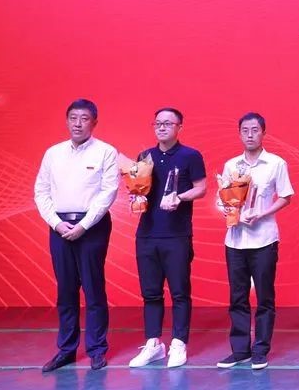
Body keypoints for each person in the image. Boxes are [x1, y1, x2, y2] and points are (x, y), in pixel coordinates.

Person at [34, 99, 119, 372]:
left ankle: (97, 349)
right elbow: (41, 191)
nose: (78, 124)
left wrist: (84, 225)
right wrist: (57, 224)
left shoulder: (106, 152)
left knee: (93, 288)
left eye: (84, 118)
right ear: (67, 121)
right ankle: (66, 350)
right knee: (66, 289)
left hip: (92, 227)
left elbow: (108, 193)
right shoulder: (53, 153)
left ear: (94, 122)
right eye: (73, 118)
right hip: (59, 226)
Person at [128, 107, 207, 368]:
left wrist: (180, 197)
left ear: (179, 127)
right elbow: (139, 187)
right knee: (150, 293)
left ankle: (178, 343)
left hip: (176, 235)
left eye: (168, 123)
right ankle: (153, 343)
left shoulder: (190, 155)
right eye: (158, 123)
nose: (162, 127)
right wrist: (135, 197)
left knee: (179, 292)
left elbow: (201, 188)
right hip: (147, 234)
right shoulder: (145, 157)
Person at [216, 112, 294, 371]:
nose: (250, 135)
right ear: (239, 134)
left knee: (264, 297)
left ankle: (260, 349)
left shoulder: (275, 163)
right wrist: (230, 212)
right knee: (237, 296)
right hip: (235, 240)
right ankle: (240, 350)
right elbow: (221, 198)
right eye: (245, 130)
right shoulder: (231, 165)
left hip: (264, 239)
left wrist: (262, 214)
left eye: (255, 130)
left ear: (263, 133)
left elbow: (285, 196)